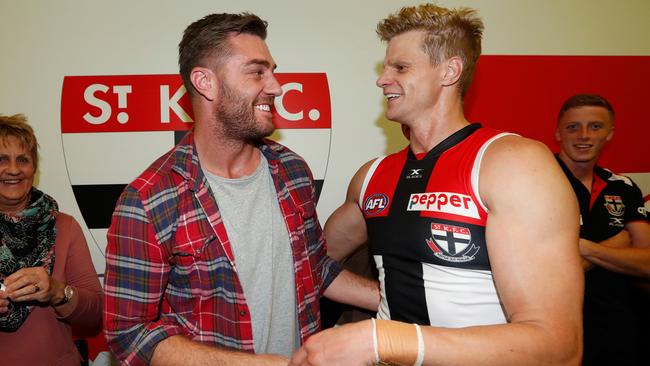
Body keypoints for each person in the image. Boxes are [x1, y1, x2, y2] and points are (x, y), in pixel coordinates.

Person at [290, 3, 583, 366]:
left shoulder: (511, 163)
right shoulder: (372, 177)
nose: (382, 79)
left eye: (400, 67)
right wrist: (382, 303)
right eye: (385, 67)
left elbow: (558, 345)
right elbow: (311, 262)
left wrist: (385, 339)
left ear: (450, 71)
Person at [103, 12, 378, 366]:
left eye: (273, 71)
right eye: (257, 72)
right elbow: (130, 334)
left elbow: (314, 268)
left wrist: (400, 300)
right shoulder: (149, 200)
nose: (276, 86)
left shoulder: (292, 171)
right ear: (206, 82)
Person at [554, 94, 650, 366]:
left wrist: (584, 247)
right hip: (561, 326)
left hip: (619, 326)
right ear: (558, 132)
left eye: (595, 126)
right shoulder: (539, 178)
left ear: (610, 133)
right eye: (573, 127)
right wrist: (619, 243)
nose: (583, 135)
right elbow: (547, 270)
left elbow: (647, 263)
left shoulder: (623, 187)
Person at [0, 114, 103, 365]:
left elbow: (96, 314)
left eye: (22, 159)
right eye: (2, 159)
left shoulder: (64, 226)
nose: (13, 169)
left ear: (33, 168)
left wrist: (57, 291)